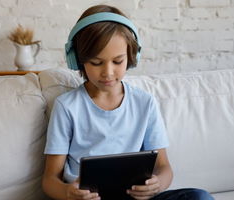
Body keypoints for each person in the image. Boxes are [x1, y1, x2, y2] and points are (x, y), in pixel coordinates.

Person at [42, 4, 214, 200]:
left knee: (199, 197)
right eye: (97, 62)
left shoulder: (145, 103)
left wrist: (157, 185)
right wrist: (67, 192)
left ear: (132, 57)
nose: (108, 72)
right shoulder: (67, 107)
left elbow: (164, 168)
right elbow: (49, 180)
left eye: (117, 61)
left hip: (135, 198)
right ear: (78, 60)